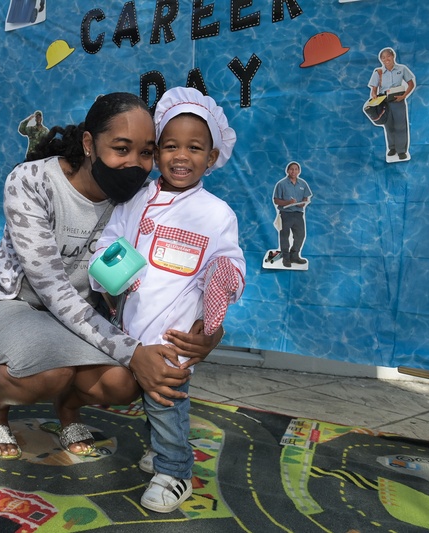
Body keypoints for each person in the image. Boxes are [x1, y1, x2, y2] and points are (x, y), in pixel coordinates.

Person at [0, 92, 224, 461]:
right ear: (89, 144)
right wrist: (132, 352)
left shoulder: (142, 199)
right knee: (50, 371)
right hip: (8, 306)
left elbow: (181, 271)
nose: (134, 164)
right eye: (121, 148)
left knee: (124, 384)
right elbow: (51, 288)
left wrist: (210, 330)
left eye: (146, 152)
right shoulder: (33, 180)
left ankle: (67, 408)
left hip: (80, 319)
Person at [90, 87, 245, 513]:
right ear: (156, 153)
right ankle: (161, 448)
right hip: (132, 321)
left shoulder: (216, 214)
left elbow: (232, 258)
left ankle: (175, 471)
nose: (181, 156)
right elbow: (111, 236)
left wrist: (224, 279)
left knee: (165, 400)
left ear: (211, 158)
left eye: (194, 148)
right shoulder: (136, 200)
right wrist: (108, 267)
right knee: (148, 400)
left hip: (175, 332)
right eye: (171, 146)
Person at [367, 47, 415, 161]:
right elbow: (374, 90)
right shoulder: (378, 72)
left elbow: (411, 84)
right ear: (381, 60)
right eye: (383, 58)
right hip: (384, 101)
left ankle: (401, 150)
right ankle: (392, 148)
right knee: (388, 125)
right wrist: (374, 95)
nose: (386, 59)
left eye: (388, 56)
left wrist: (404, 96)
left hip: (398, 100)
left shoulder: (402, 69)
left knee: (400, 125)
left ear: (393, 56)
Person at [273, 161, 312, 268]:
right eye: (291, 169)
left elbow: (306, 197)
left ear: (299, 171)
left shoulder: (303, 184)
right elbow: (276, 200)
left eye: (296, 169)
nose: (293, 171)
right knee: (284, 236)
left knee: (300, 235)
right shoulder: (281, 184)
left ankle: (294, 256)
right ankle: (286, 258)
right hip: (285, 214)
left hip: (298, 214)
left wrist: (303, 203)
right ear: (287, 170)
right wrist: (288, 202)